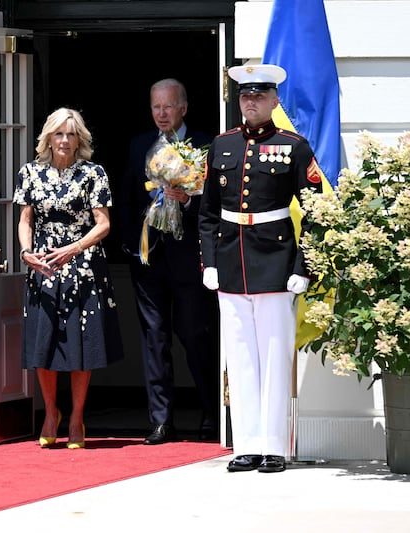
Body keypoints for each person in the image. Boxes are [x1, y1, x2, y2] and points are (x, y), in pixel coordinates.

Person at [198, 64, 324, 473]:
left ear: (274, 101)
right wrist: (210, 261)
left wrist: (304, 265)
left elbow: (316, 211)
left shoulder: (293, 145)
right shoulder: (222, 145)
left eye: (259, 96)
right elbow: (208, 214)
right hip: (231, 261)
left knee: (273, 352)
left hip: (275, 259)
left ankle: (274, 446)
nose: (250, 102)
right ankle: (246, 445)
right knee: (239, 356)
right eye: (245, 96)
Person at [13, 107, 124, 449]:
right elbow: (25, 219)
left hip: (83, 265)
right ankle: (51, 413)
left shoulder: (94, 173)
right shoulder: (30, 173)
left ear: (80, 141)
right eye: (59, 134)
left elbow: (103, 224)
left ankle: (76, 417)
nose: (64, 141)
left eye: (71, 135)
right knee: (43, 342)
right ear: (48, 137)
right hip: (44, 265)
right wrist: (25, 251)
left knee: (80, 343)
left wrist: (74, 248)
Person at [119, 78, 219, 444]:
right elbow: (127, 200)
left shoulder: (206, 145)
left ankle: (212, 412)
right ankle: (161, 420)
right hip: (149, 257)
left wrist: (187, 201)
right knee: (154, 338)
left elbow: (215, 203)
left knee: (195, 334)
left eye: (168, 106)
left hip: (189, 256)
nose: (162, 114)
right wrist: (133, 244)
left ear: (184, 107)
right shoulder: (138, 146)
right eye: (155, 107)